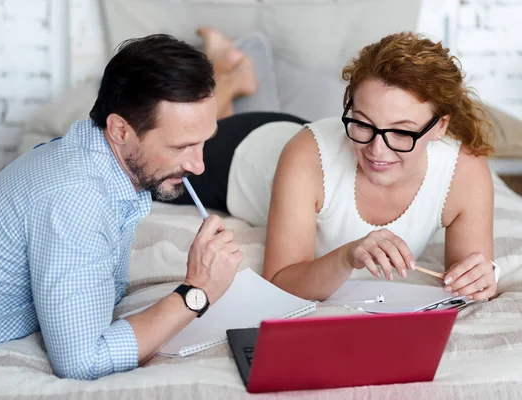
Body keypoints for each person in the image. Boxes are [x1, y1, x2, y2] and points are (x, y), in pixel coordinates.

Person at [0, 32, 255, 391]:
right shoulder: (77, 198)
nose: (198, 165)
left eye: (204, 141)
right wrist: (198, 291)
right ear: (120, 130)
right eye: (181, 146)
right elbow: (83, 362)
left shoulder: (95, 161)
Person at [166, 31, 499, 303]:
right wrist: (347, 256)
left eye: (400, 132)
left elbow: (468, 278)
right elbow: (280, 283)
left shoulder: (464, 172)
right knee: (191, 134)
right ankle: (229, 78)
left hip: (292, 142)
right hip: (241, 153)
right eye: (362, 123)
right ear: (349, 109)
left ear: (440, 127)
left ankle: (236, 74)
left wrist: (480, 279)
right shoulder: (306, 155)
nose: (376, 149)